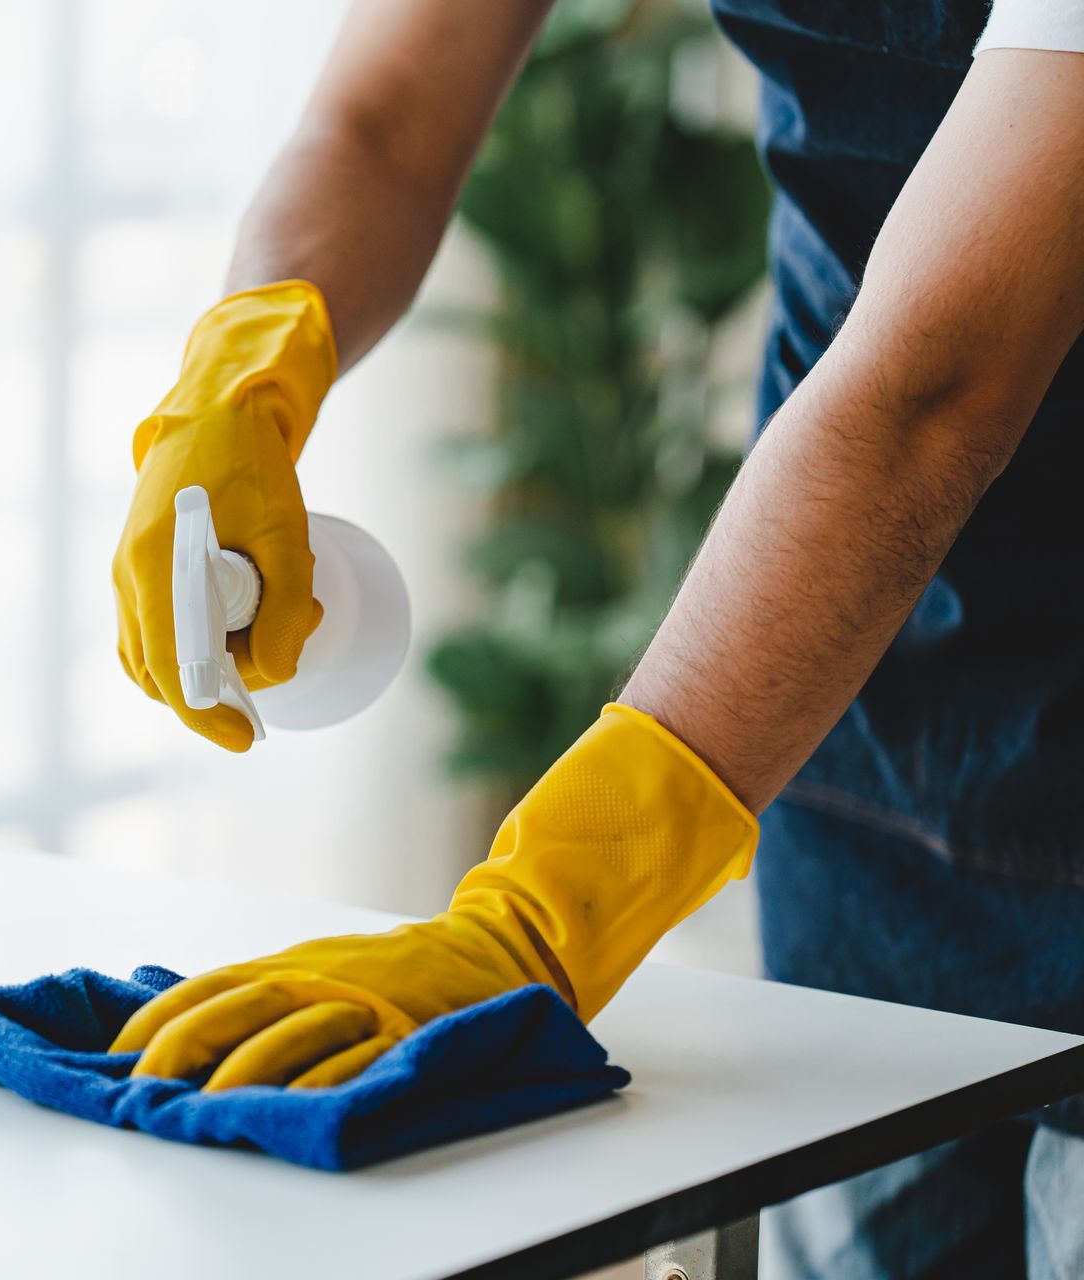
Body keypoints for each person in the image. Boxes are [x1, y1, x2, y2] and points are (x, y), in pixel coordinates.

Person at [107, 1, 1084, 1275]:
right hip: (843, 705)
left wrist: (541, 916)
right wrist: (243, 365)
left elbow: (937, 386)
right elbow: (386, 116)